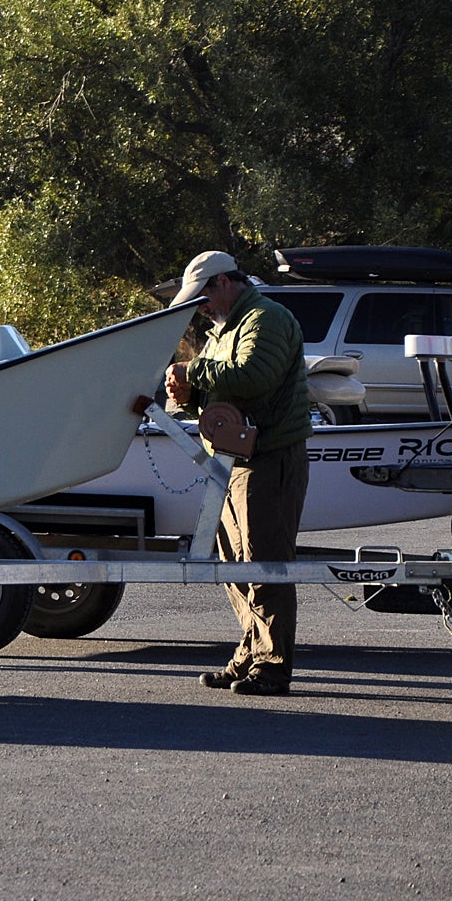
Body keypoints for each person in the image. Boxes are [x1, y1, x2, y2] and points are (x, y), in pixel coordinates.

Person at [163, 250, 311, 697]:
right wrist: (187, 393)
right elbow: (219, 394)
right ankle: (250, 656)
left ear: (224, 282)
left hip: (268, 458)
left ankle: (272, 667)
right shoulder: (225, 328)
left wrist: (193, 371)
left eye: (203, 296)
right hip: (233, 460)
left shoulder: (267, 318)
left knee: (265, 564)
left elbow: (252, 376)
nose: (200, 307)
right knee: (235, 566)